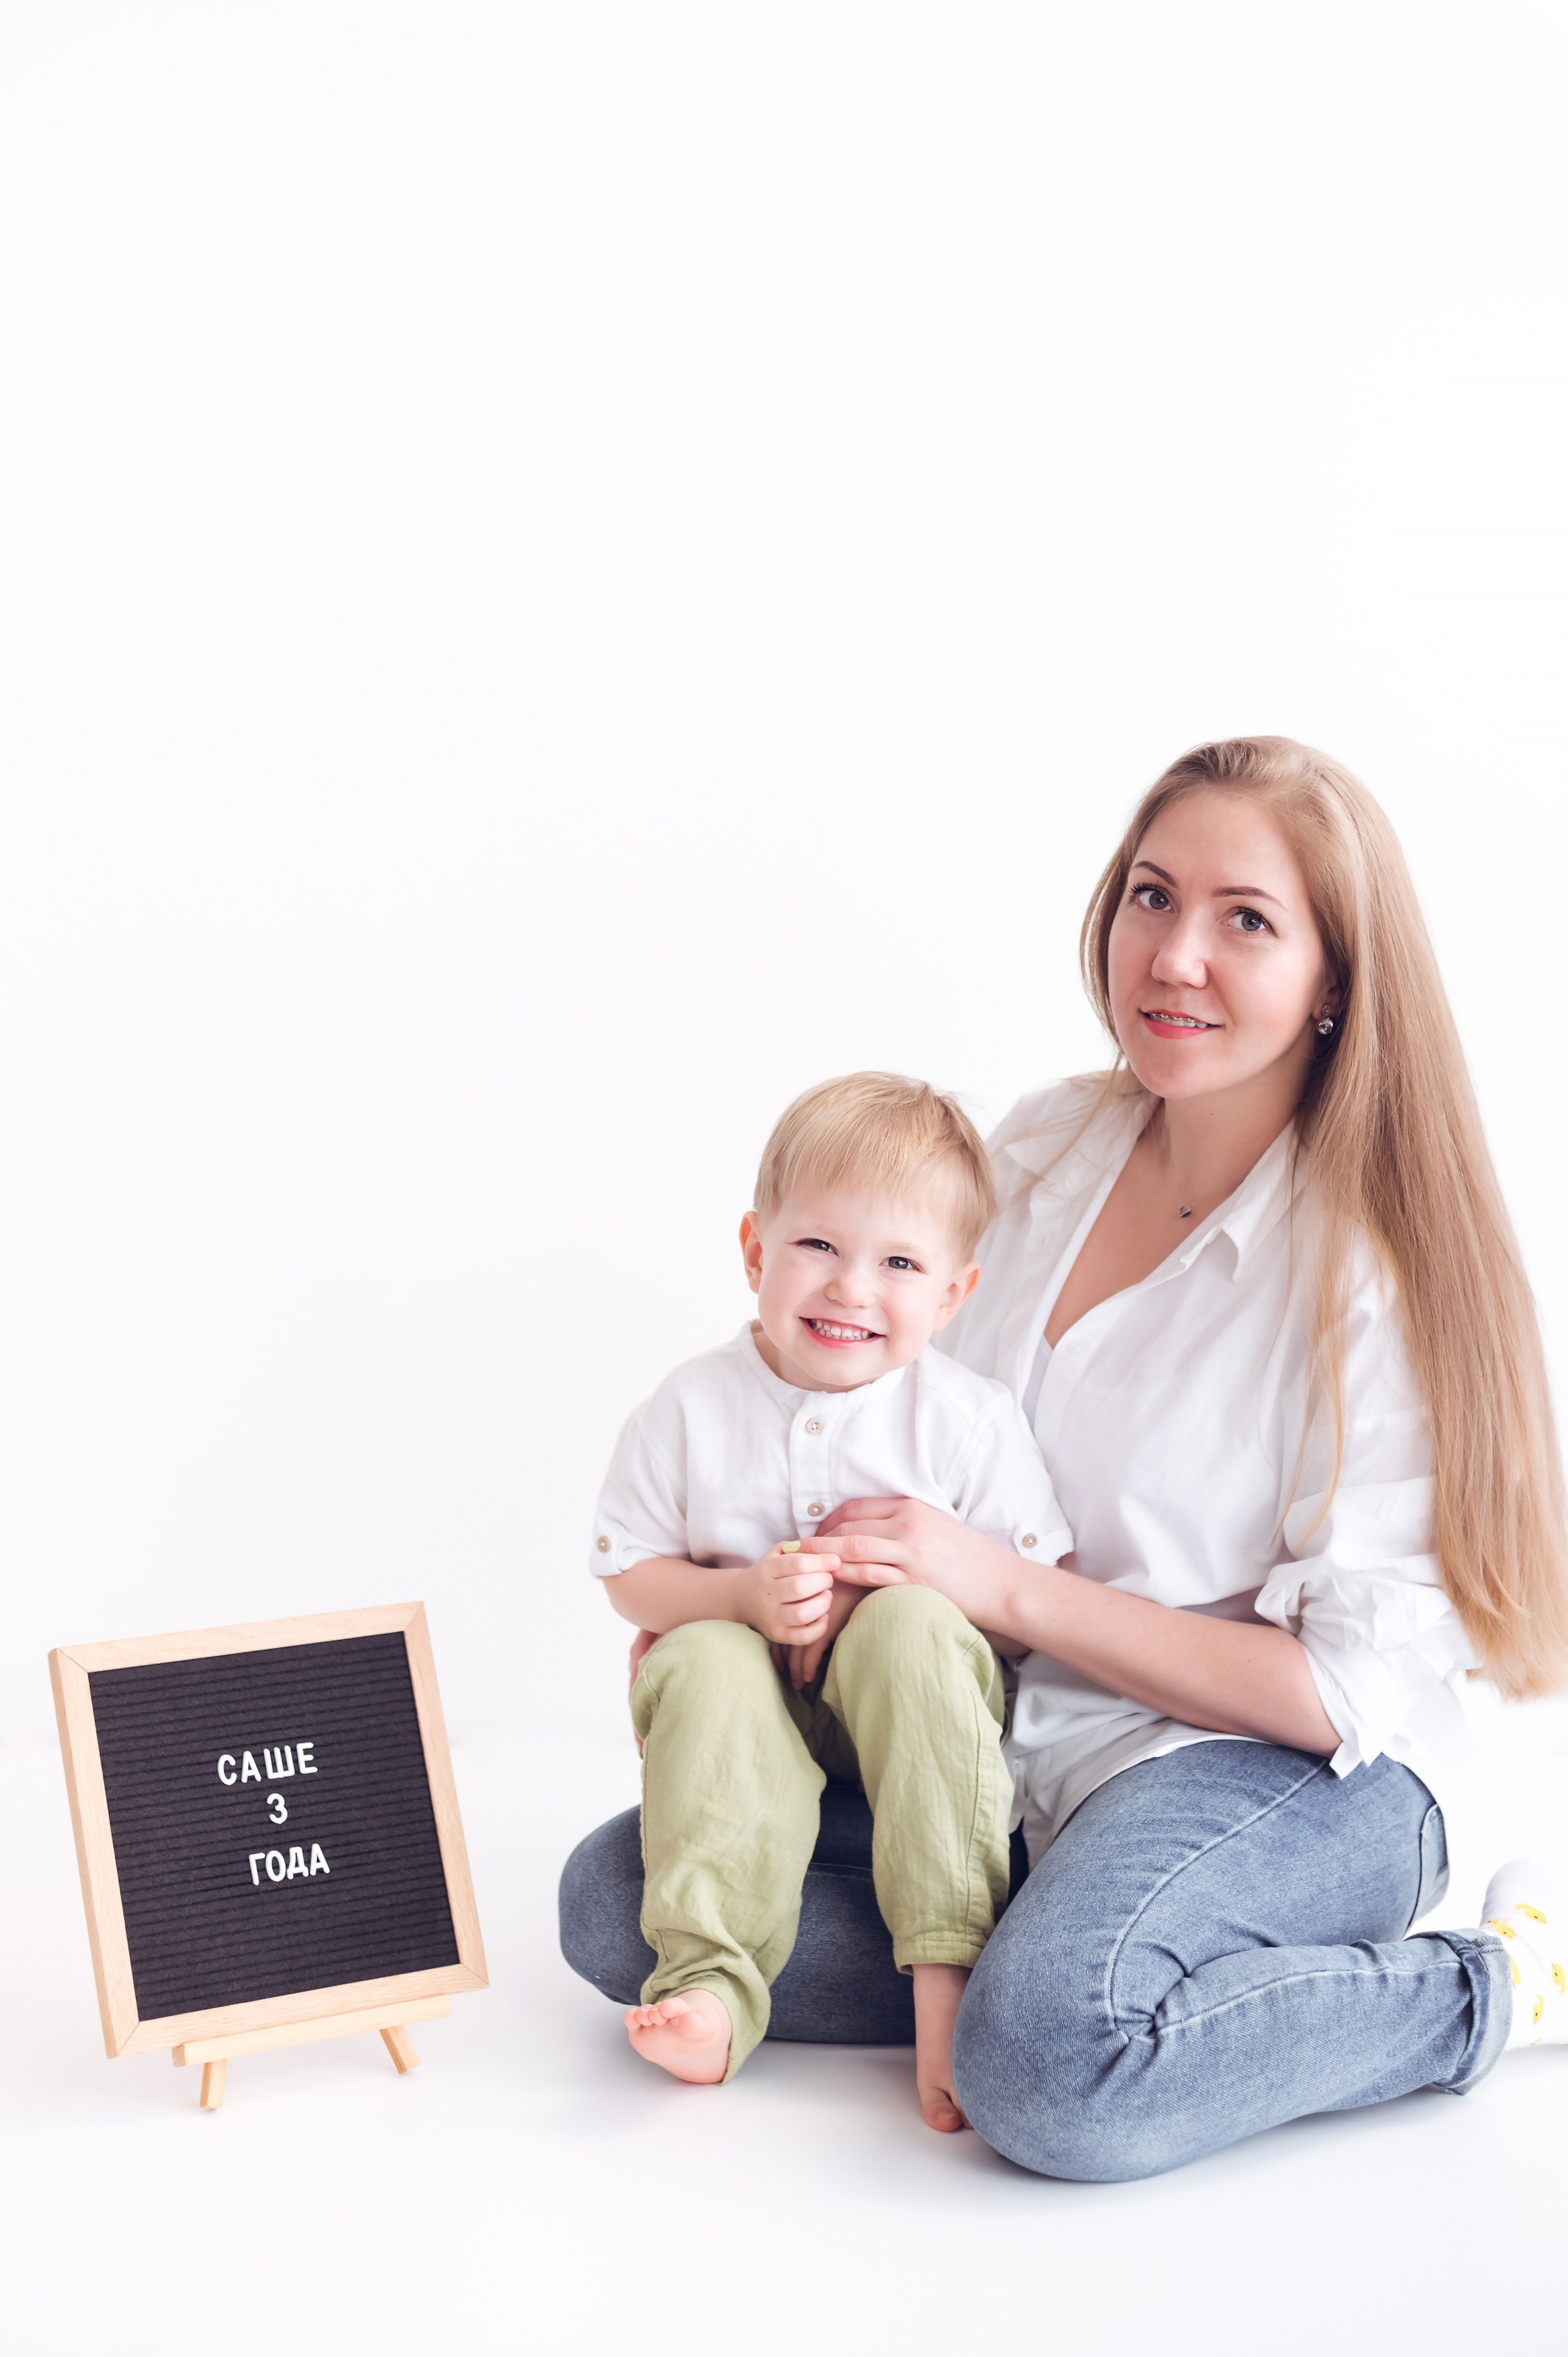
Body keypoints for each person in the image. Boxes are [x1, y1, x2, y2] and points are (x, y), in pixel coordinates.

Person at [560, 736, 1568, 2177]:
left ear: (1333, 979)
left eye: (1245, 919)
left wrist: (1006, 1587)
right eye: (1152, 896)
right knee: (615, 1904)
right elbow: (894, 1437)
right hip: (1011, 1743)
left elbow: (1331, 1693)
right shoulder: (1038, 1153)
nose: (1174, 956)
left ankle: (1499, 1976)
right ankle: (1078, 1951)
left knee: (1041, 2066)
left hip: (1284, 1771)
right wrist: (744, 1629)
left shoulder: (1365, 1275)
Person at [588, 1072, 1070, 2128]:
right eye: (818, 1245)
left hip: (915, 1737)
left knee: (910, 1625)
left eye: (900, 1263)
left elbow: (1027, 1601)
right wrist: (738, 1597)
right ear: (755, 1249)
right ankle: (710, 1985)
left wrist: (890, 1593)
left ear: (953, 1295)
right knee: (702, 1649)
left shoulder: (966, 1420)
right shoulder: (692, 1405)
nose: (852, 1289)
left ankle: (947, 1970)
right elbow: (630, 1572)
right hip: (745, 1738)